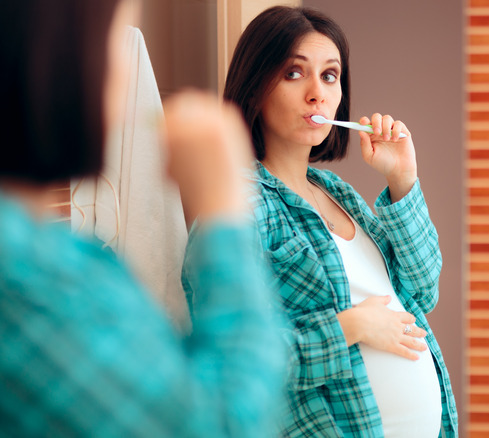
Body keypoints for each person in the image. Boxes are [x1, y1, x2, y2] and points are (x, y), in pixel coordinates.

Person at [0, 0, 287, 436]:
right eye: (119, 37)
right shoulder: (24, 274)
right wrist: (221, 209)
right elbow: (222, 424)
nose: (128, 69)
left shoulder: (61, 259)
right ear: (58, 51)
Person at [220, 6, 458, 437]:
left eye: (330, 76)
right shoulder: (239, 205)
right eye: (295, 73)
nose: (318, 93)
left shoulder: (338, 193)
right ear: (255, 87)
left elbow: (423, 291)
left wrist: (402, 180)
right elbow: (233, 363)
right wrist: (351, 327)